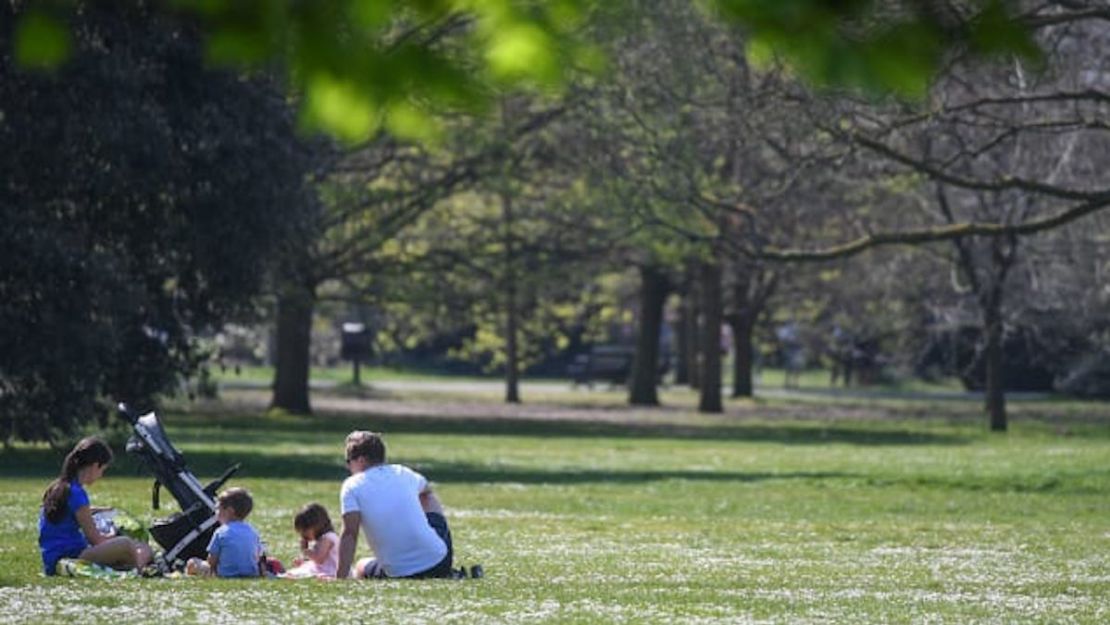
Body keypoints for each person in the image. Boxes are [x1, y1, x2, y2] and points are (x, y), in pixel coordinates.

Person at [336, 431, 453, 579]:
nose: (348, 467)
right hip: (440, 564)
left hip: (400, 573)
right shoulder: (402, 472)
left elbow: (349, 534)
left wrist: (339, 578)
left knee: (360, 565)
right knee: (428, 497)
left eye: (348, 461)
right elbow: (427, 491)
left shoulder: (351, 486)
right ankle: (430, 546)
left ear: (361, 460)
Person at [39, 437, 154, 575]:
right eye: (102, 470)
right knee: (128, 544)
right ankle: (140, 568)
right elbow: (96, 540)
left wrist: (101, 510)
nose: (101, 475)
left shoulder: (57, 487)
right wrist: (113, 535)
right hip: (72, 557)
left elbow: (72, 514)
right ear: (95, 465)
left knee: (134, 548)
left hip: (52, 557)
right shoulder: (77, 493)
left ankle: (130, 561)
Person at [190, 487, 264, 578]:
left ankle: (188, 574)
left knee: (192, 562)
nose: (216, 513)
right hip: (251, 573)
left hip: (224, 574)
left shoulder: (221, 532)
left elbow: (211, 562)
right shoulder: (253, 531)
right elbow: (258, 556)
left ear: (229, 511)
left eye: (218, 509)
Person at [286, 502, 340, 578]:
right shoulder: (323, 538)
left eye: (304, 530)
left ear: (317, 526)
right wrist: (304, 561)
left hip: (330, 570)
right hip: (324, 568)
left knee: (296, 573)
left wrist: (306, 550)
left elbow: (319, 559)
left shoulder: (327, 538)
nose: (302, 535)